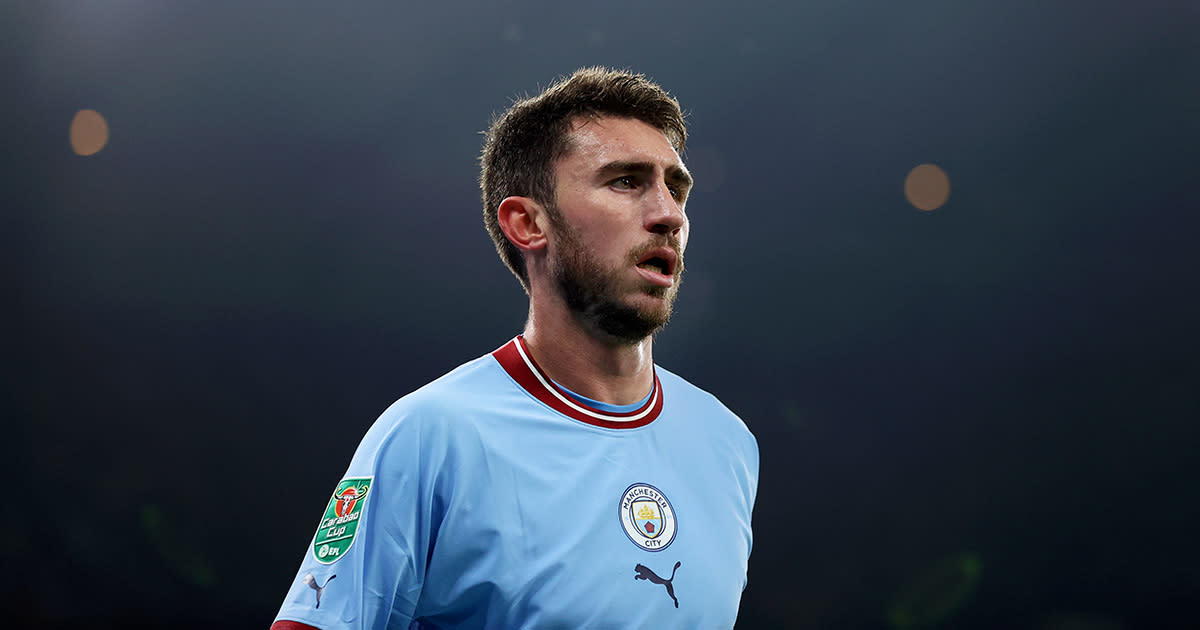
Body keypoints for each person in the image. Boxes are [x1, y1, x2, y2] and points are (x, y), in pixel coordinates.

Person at [271, 67, 759, 630]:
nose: (668, 214)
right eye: (626, 181)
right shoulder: (430, 435)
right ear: (528, 223)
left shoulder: (728, 443)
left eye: (675, 188)